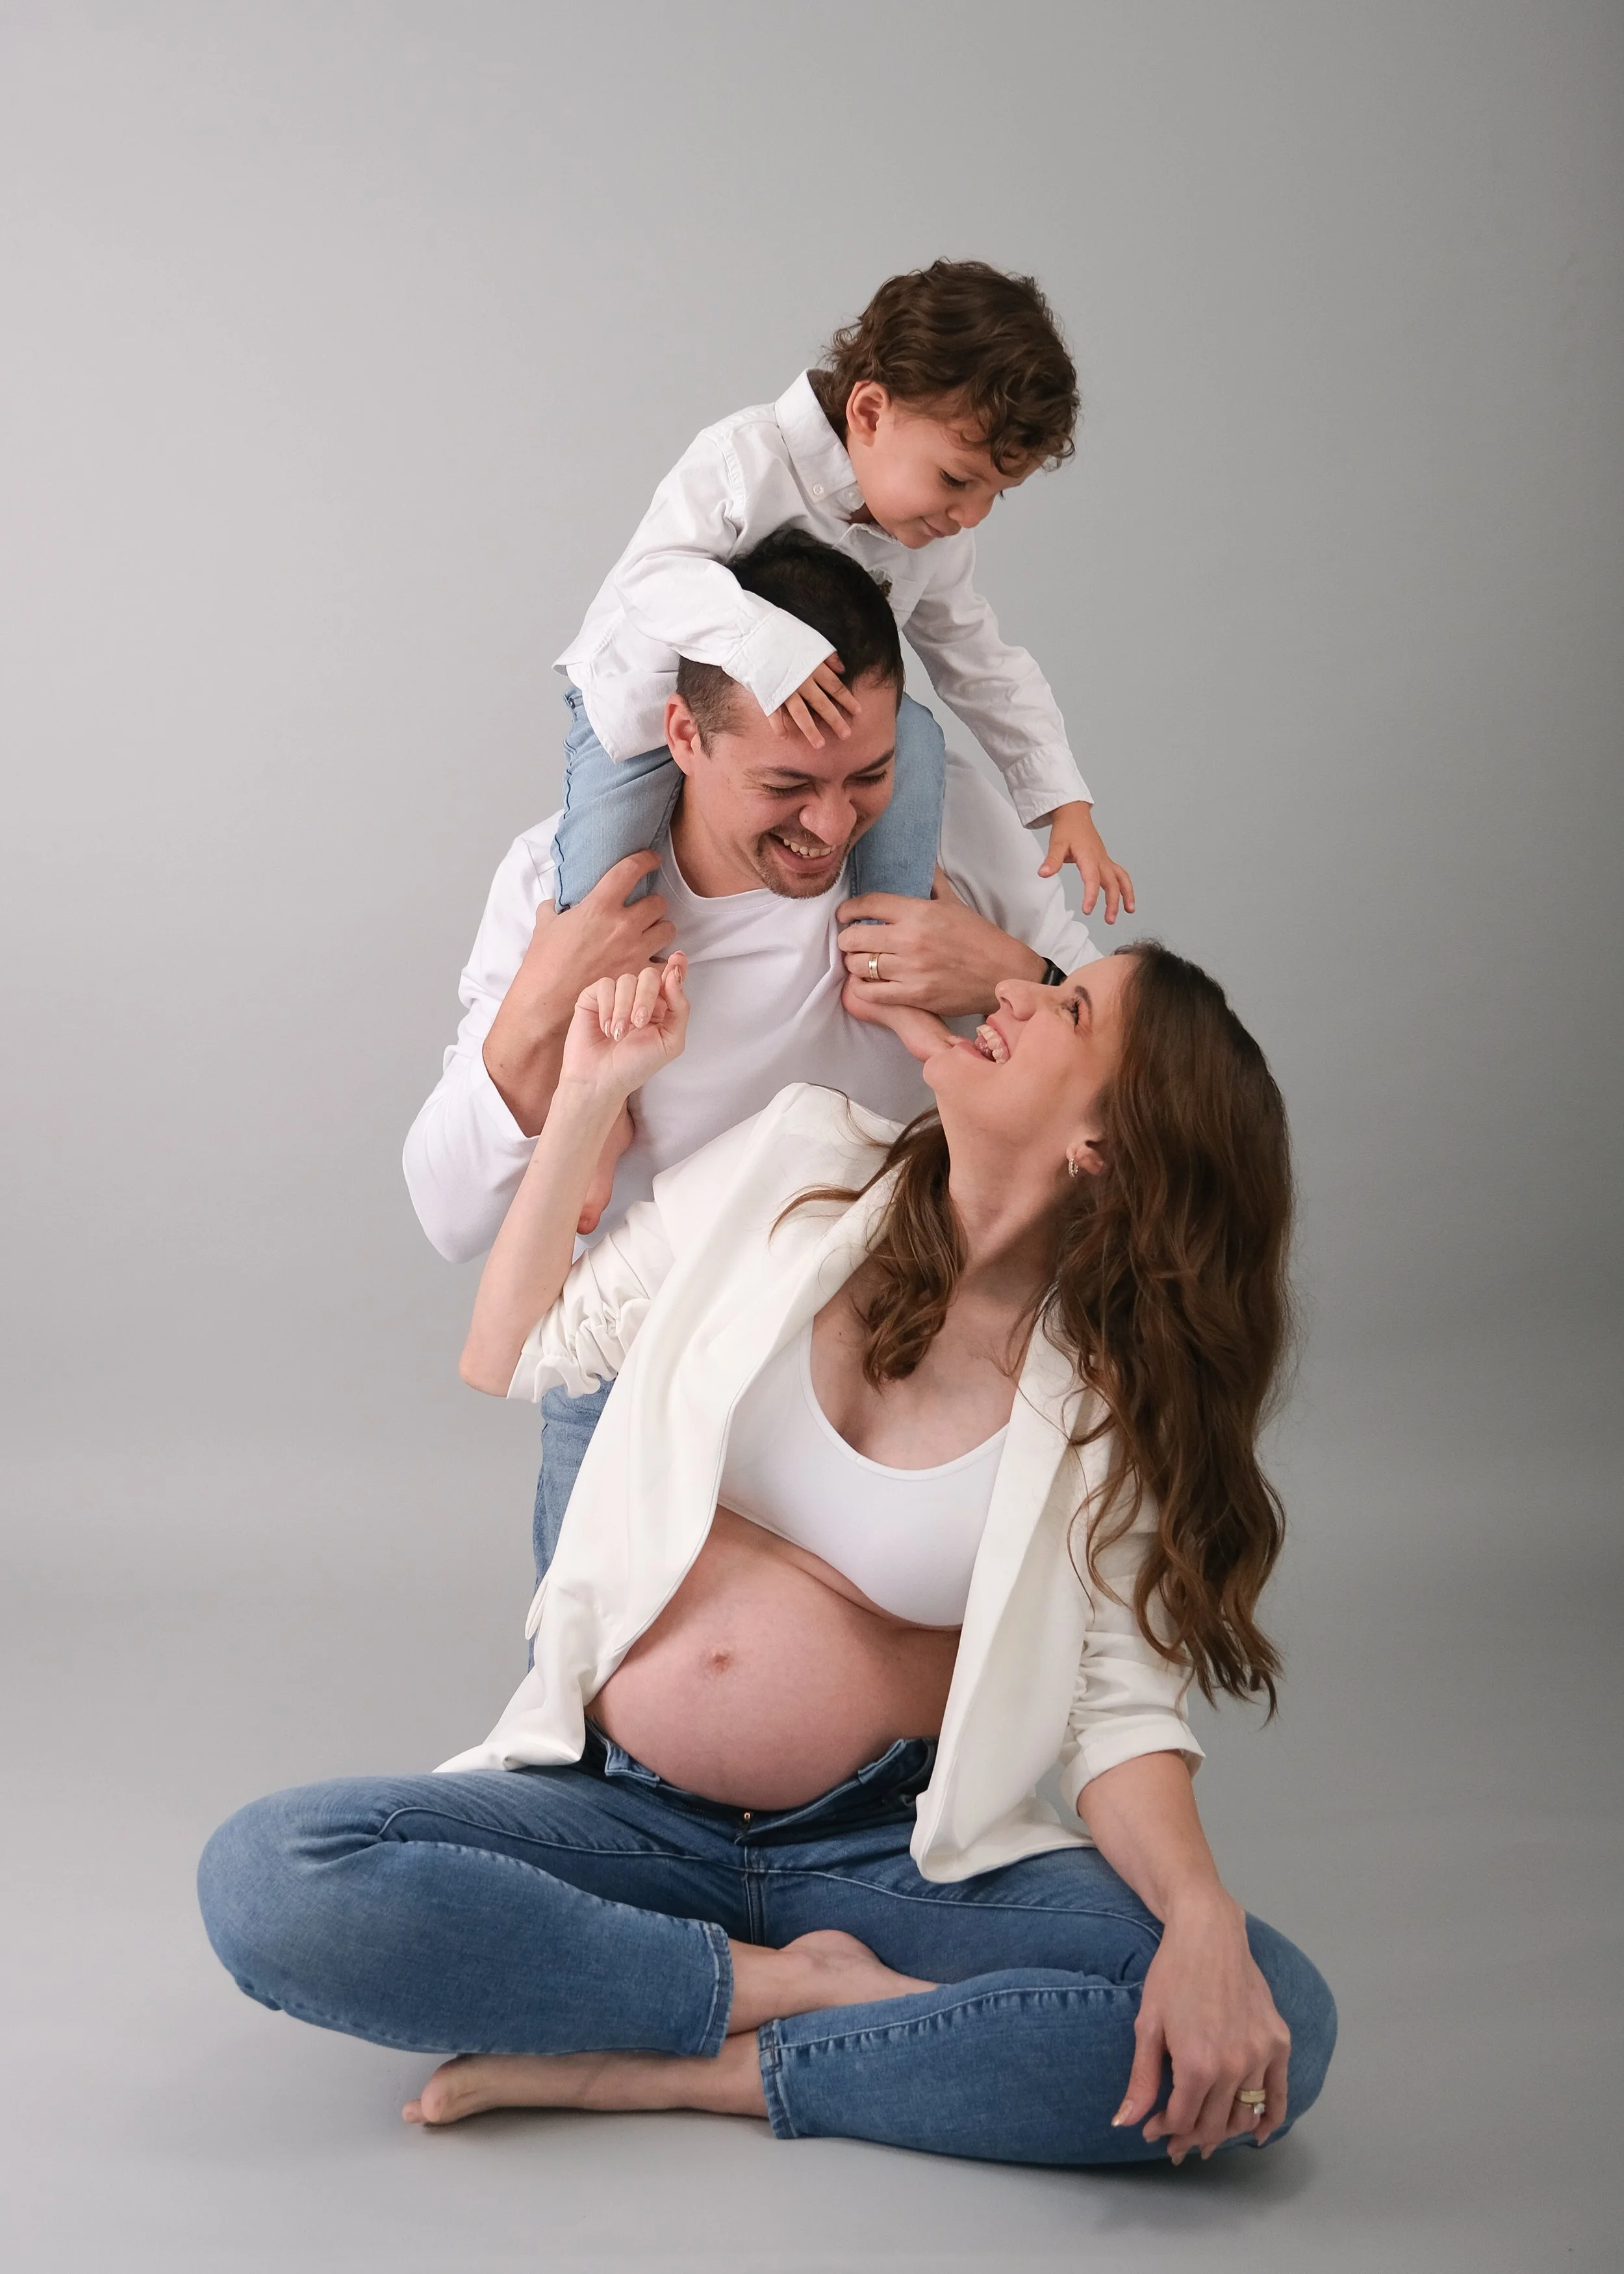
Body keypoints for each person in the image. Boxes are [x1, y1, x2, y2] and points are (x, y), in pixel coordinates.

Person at [200, 942, 1336, 2166]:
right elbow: (515, 1351)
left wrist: (1201, 1914)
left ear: (1102, 1146)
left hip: (885, 1858)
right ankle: (787, 1993)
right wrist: (588, 1095)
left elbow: (1115, 1712)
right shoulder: (800, 1164)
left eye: (1070, 1009)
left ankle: (691, 2070)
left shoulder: (1111, 1402)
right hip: (616, 1814)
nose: (1014, 991)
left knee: (1278, 2024)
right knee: (273, 1876)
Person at [406, 533, 1108, 1582]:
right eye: (787, 783)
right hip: (636, 1377)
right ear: (683, 735)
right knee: (606, 1694)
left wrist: (1010, 970)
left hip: (891, 1378)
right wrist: (542, 1002)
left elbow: (1145, 1079)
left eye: (870, 775)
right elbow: (450, 1216)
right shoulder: (558, 888)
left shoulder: (947, 831)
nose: (831, 822)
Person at [551, 259, 1135, 917]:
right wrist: (772, 650)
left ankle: (888, 931)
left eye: (994, 495)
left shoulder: (935, 536)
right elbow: (653, 574)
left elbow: (980, 660)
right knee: (601, 875)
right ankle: (598, 960)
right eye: (955, 479)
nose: (971, 516)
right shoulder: (744, 459)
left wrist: (1064, 800)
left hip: (831, 722)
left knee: (914, 742)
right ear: (870, 412)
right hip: (653, 693)